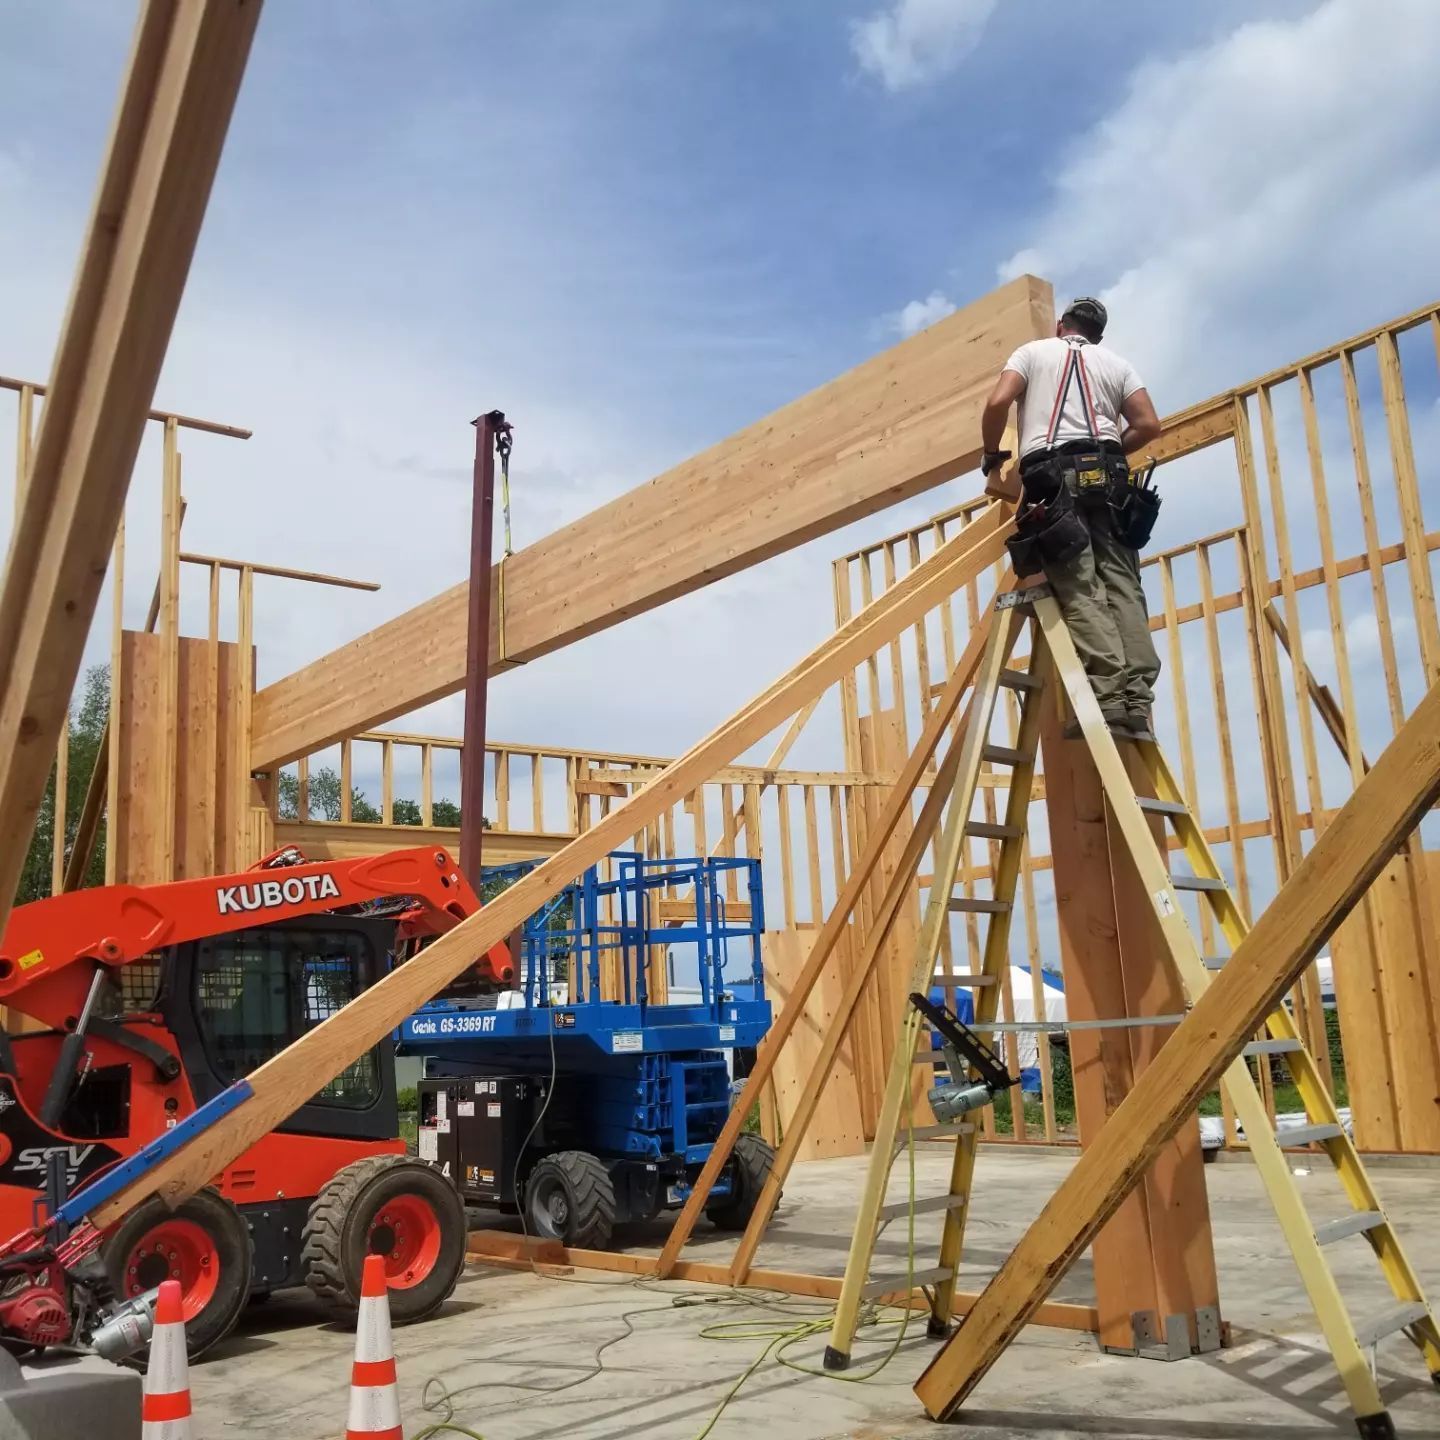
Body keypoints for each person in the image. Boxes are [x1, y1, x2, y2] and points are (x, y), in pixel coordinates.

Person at [978, 297, 1164, 735]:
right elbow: (1149, 425)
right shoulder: (1116, 365)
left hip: (1053, 475)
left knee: (1079, 582)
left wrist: (991, 453)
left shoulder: (1033, 352)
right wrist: (1112, 448)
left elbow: (997, 402)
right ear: (1097, 335)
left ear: (1061, 324)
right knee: (1123, 584)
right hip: (1112, 474)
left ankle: (1108, 697)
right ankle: (1136, 700)